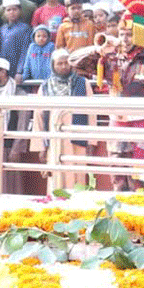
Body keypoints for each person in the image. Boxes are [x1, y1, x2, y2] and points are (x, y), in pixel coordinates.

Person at [72, 0, 144, 190]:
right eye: (121, 34)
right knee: (118, 181)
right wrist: (99, 48)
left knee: (142, 183)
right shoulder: (110, 59)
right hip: (117, 126)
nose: (124, 39)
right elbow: (75, 62)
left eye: (129, 34)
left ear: (140, 35)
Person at [36, 48, 91, 191]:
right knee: (57, 177)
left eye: (66, 63)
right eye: (59, 64)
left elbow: (91, 113)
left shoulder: (83, 83)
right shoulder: (45, 87)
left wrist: (91, 141)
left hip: (77, 139)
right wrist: (41, 147)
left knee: (78, 177)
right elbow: (39, 117)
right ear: (53, 65)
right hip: (54, 139)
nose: (63, 66)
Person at [0, 57, 36, 195]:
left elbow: (23, 124)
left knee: (9, 186)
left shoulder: (18, 94)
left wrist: (16, 149)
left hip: (8, 148)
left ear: (3, 72)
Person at [0, 0, 32, 78]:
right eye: (8, 10)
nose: (12, 12)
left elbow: (25, 51)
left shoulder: (25, 28)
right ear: (4, 12)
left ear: (20, 10)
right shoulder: (2, 29)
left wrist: (19, 71)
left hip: (17, 69)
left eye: (14, 9)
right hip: (3, 69)